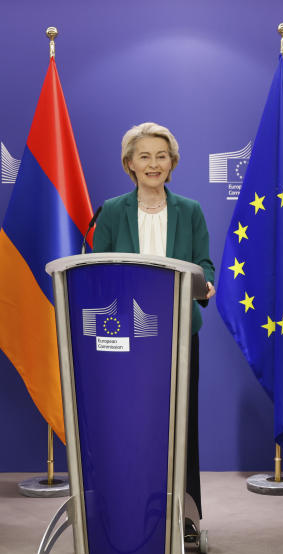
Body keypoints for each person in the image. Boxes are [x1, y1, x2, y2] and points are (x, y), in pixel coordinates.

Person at [92, 122, 215, 525]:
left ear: (173, 163)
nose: (153, 164)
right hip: (124, 337)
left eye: (161, 156)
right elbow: (98, 269)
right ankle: (124, 510)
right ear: (129, 164)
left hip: (179, 333)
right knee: (127, 423)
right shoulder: (111, 211)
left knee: (182, 426)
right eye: (144, 156)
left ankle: (186, 517)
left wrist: (206, 283)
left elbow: (205, 263)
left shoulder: (190, 210)